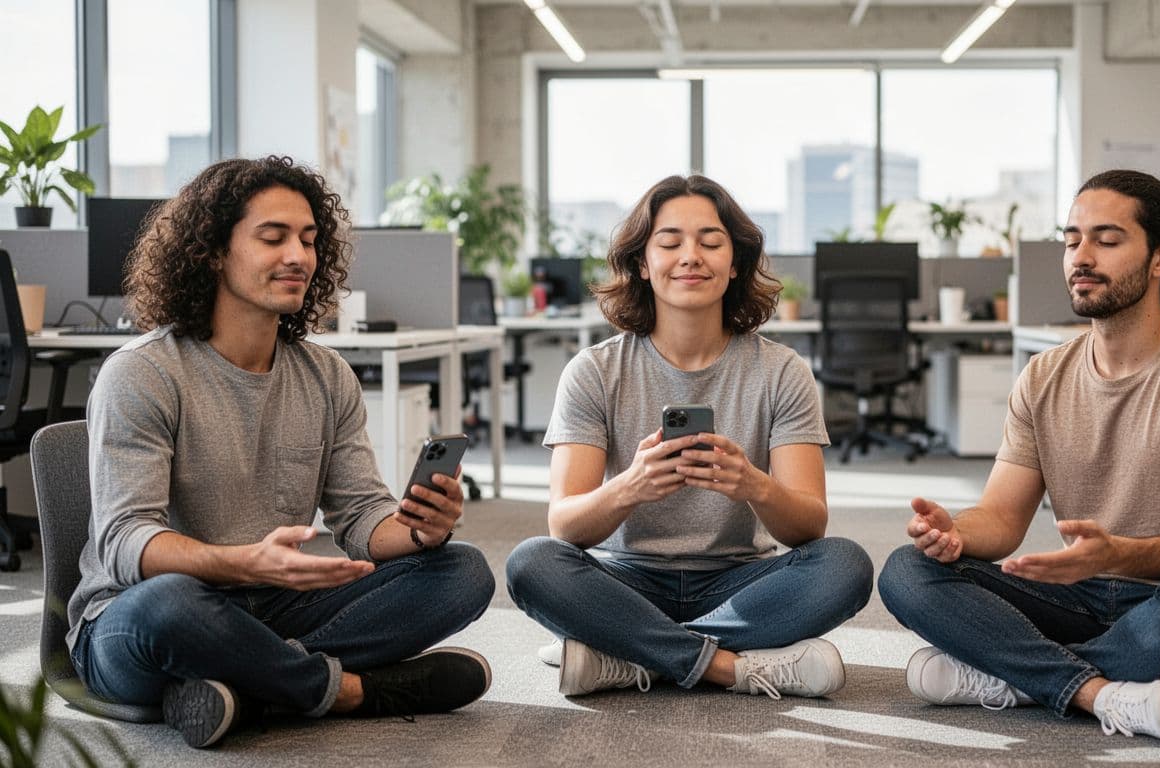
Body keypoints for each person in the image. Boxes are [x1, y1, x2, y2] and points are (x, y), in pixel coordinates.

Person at [68, 156, 496, 748]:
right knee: (169, 607)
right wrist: (245, 563)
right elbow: (125, 544)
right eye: (273, 238)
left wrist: (422, 530)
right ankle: (352, 692)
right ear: (213, 252)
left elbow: (362, 518)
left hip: (275, 605)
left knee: (462, 572)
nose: (298, 255)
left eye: (309, 240)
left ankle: (244, 689)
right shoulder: (143, 373)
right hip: (137, 617)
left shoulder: (327, 375)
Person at [877, 169, 1160, 745]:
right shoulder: (1043, 375)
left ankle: (1019, 674)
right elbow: (1002, 519)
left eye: (1106, 240)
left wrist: (1123, 554)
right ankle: (1100, 691)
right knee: (907, 570)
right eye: (1071, 241)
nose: (1080, 257)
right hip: (1086, 596)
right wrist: (956, 533)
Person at [505, 174, 873, 700]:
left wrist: (754, 485)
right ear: (642, 262)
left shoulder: (781, 371)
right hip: (627, 579)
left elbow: (809, 527)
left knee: (845, 565)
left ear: (735, 262)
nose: (691, 257)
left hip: (740, 580)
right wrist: (630, 486)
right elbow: (564, 526)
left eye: (711, 242)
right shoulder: (594, 371)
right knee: (531, 563)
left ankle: (633, 654)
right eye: (670, 242)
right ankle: (727, 667)